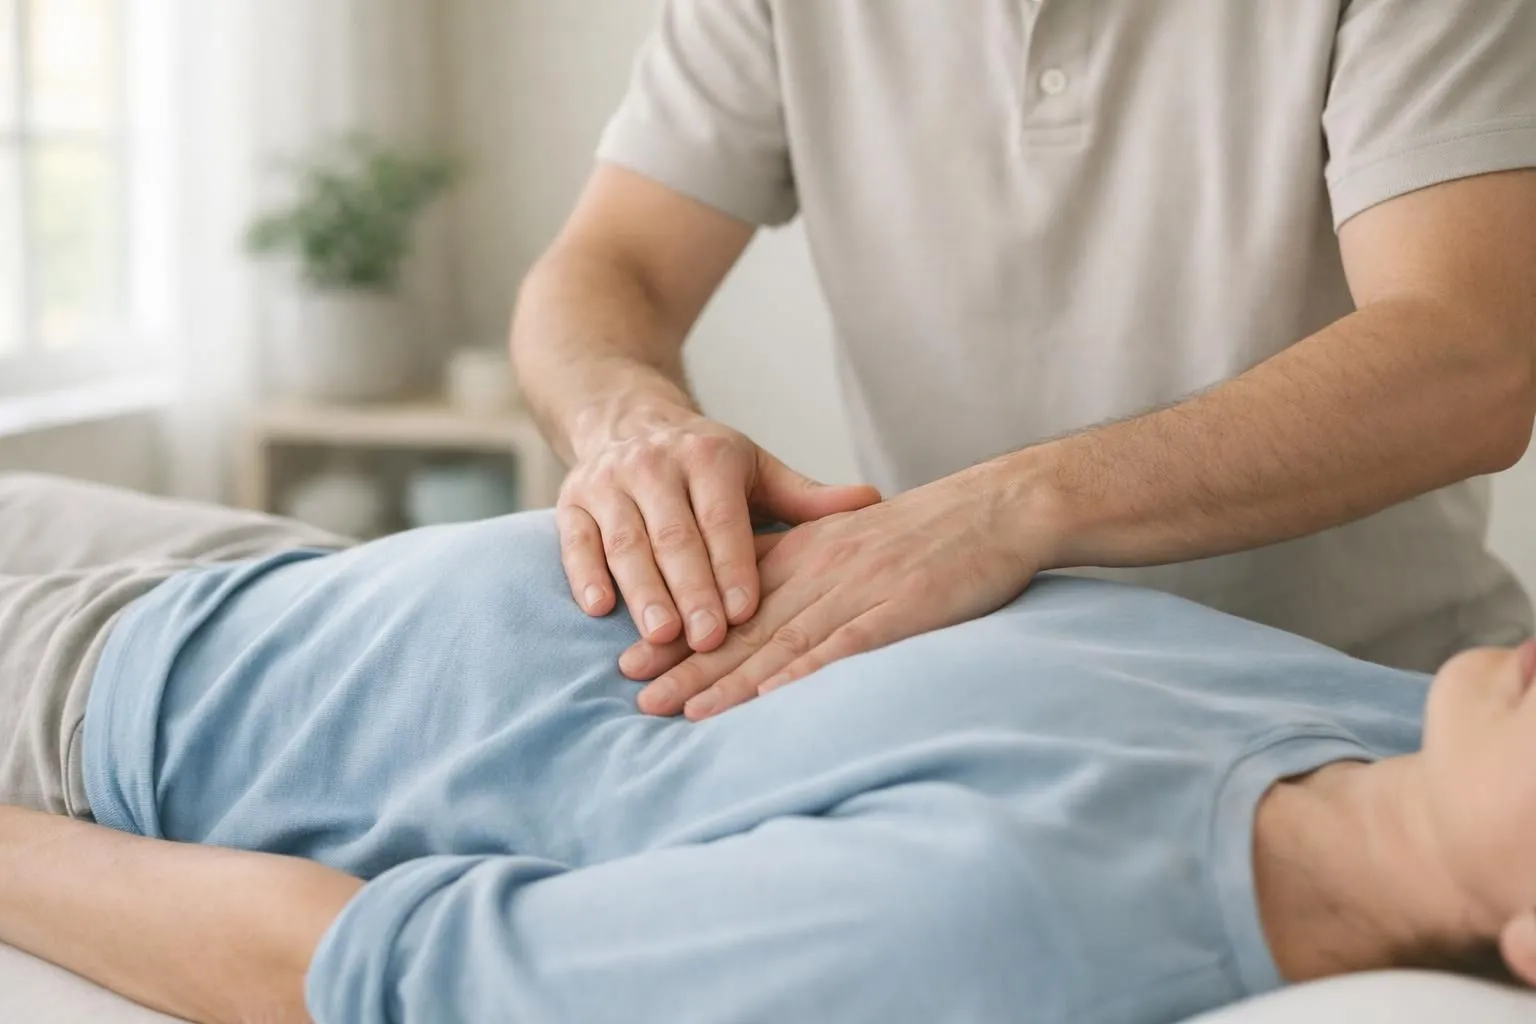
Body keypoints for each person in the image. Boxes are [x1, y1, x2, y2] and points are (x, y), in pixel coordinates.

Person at [0, 473, 1534, 1024]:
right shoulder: (1402, 722)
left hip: (110, 706)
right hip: (284, 580)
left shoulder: (1014, 909)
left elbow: (369, 977)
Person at [510, 0, 1536, 722]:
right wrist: (635, 426)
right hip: (986, 715)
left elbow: (1471, 356)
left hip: (1369, 709)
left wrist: (1012, 510)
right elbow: (606, 268)